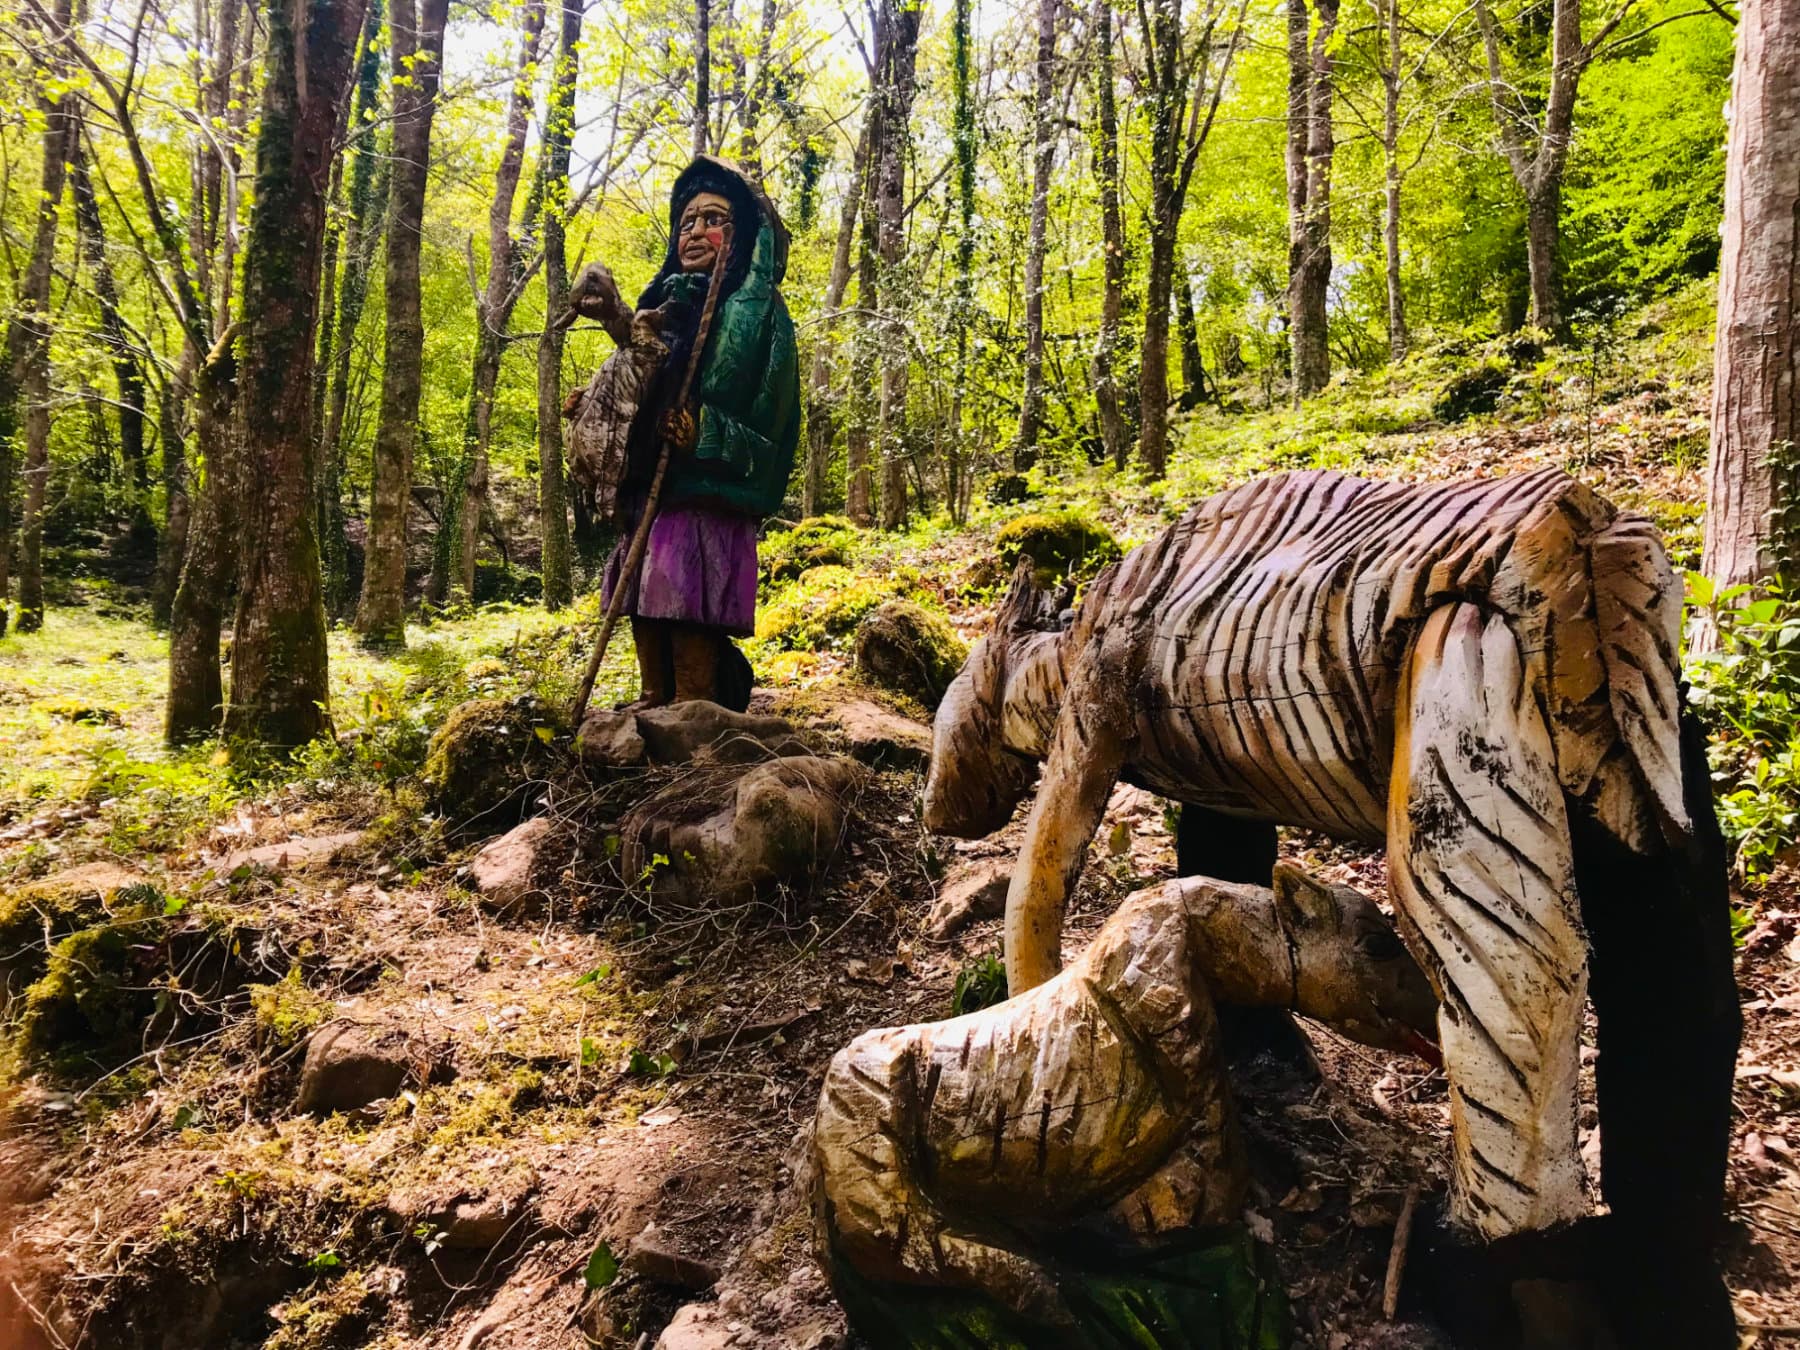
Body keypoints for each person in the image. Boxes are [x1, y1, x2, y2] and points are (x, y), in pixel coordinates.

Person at [565, 157, 799, 711]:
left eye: (713, 219)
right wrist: (601, 398)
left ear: (742, 234)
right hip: (652, 487)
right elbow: (648, 365)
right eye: (686, 221)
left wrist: (704, 432)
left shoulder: (760, 314)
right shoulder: (668, 302)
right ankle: (654, 693)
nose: (694, 232)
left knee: (681, 587)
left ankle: (694, 700)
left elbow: (773, 426)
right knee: (640, 591)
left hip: (704, 498)